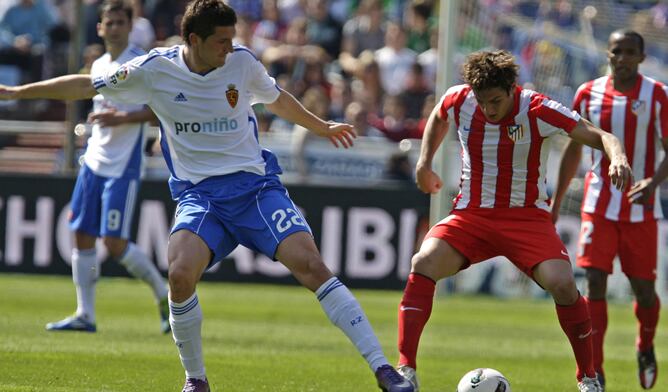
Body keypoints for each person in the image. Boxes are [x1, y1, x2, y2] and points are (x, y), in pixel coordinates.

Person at [0, 1, 415, 391]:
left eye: (232, 39)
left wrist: (321, 126)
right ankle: (196, 380)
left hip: (254, 189)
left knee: (311, 265)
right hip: (200, 198)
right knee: (180, 274)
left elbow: (277, 99)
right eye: (221, 40)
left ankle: (383, 369)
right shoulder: (153, 69)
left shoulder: (242, 63)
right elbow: (84, 86)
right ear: (193, 40)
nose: (229, 47)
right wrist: (20, 94)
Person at [394, 50, 633, 392]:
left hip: (527, 218)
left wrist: (618, 159)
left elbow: (604, 137)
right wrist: (423, 162)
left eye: (495, 100)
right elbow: (439, 114)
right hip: (472, 214)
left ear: (511, 89)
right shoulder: (459, 99)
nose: (489, 109)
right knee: (424, 261)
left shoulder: (537, 108)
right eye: (482, 100)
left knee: (563, 285)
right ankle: (406, 370)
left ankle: (588, 378)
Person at [5, 0, 170, 334]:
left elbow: (161, 108)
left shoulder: (139, 63)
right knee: (81, 232)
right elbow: (74, 88)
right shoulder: (98, 65)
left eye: (119, 23)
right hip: (94, 159)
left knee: (114, 243)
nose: (113, 29)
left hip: (123, 164)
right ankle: (85, 313)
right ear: (99, 27)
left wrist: (121, 117)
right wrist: (20, 93)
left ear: (130, 25)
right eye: (108, 23)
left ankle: (163, 292)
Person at [552, 29, 667, 390]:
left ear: (642, 57)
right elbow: (573, 148)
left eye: (631, 52)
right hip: (598, 203)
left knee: (644, 290)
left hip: (641, 206)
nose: (623, 57)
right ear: (608, 53)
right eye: (617, 50)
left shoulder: (658, 95)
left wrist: (653, 183)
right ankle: (595, 370)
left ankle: (645, 345)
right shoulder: (588, 93)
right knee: (595, 282)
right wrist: (556, 203)